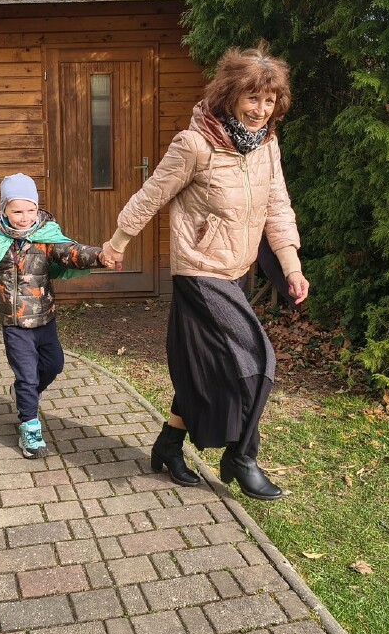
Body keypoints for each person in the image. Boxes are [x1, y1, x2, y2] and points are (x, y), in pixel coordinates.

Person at [101, 43, 310, 500]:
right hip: (200, 273)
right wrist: (117, 242)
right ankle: (241, 456)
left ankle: (168, 445)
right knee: (257, 360)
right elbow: (152, 194)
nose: (260, 110)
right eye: (252, 98)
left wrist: (291, 266)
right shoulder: (195, 145)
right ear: (230, 95)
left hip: (236, 272)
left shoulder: (267, 146)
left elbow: (278, 207)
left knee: (205, 370)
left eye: (269, 100)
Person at [0, 173, 109, 458]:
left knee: (54, 365)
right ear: (4, 209)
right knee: (27, 376)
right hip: (14, 323)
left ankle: (28, 396)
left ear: (37, 208)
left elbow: (72, 252)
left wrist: (99, 255)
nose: (25, 218)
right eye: (17, 211)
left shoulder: (46, 236)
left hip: (44, 318)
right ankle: (30, 428)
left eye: (30, 210)